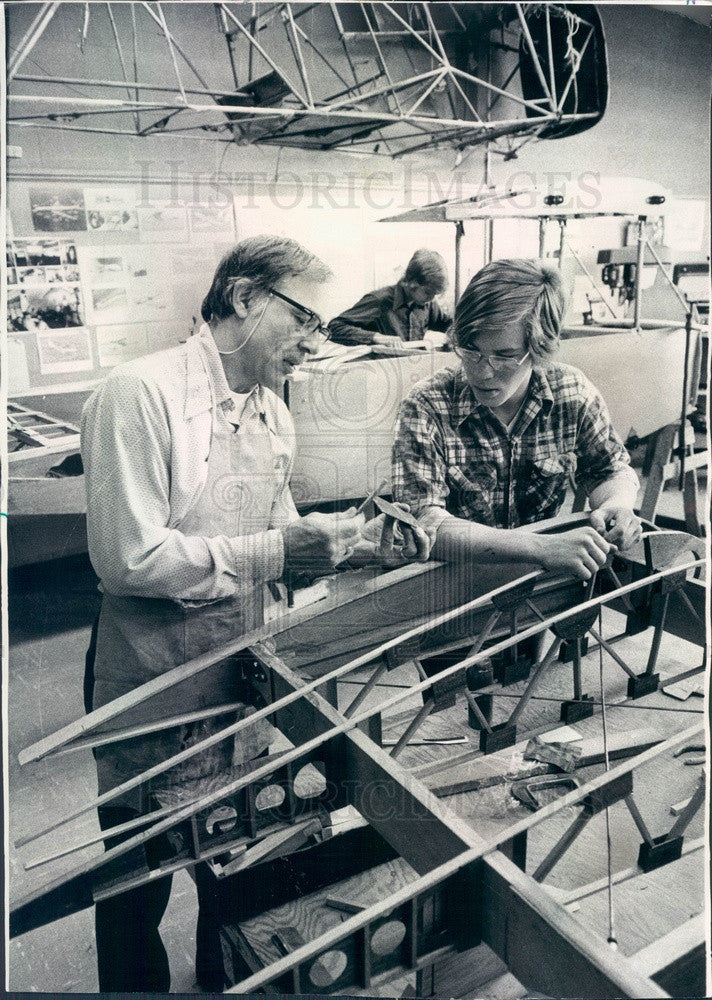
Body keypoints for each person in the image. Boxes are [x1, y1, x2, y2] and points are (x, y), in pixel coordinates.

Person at [81, 234, 428, 992]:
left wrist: (358, 548)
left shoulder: (273, 412)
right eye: (305, 320)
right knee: (138, 876)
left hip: (243, 670)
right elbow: (128, 558)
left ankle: (222, 981)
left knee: (237, 862)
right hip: (152, 674)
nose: (315, 342)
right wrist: (281, 551)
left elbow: (283, 537)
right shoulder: (140, 393)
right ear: (242, 298)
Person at [392, 259, 643, 579]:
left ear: (540, 348)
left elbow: (608, 469)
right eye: (471, 350)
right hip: (454, 588)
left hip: (540, 583)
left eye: (505, 355)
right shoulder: (426, 406)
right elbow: (424, 522)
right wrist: (539, 548)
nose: (482, 371)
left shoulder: (572, 393)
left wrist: (617, 504)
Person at [328, 248, 452, 348]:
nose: (431, 298)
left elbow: (448, 325)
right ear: (413, 282)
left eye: (435, 294)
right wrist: (376, 337)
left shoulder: (427, 304)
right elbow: (334, 328)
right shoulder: (380, 300)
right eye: (428, 292)